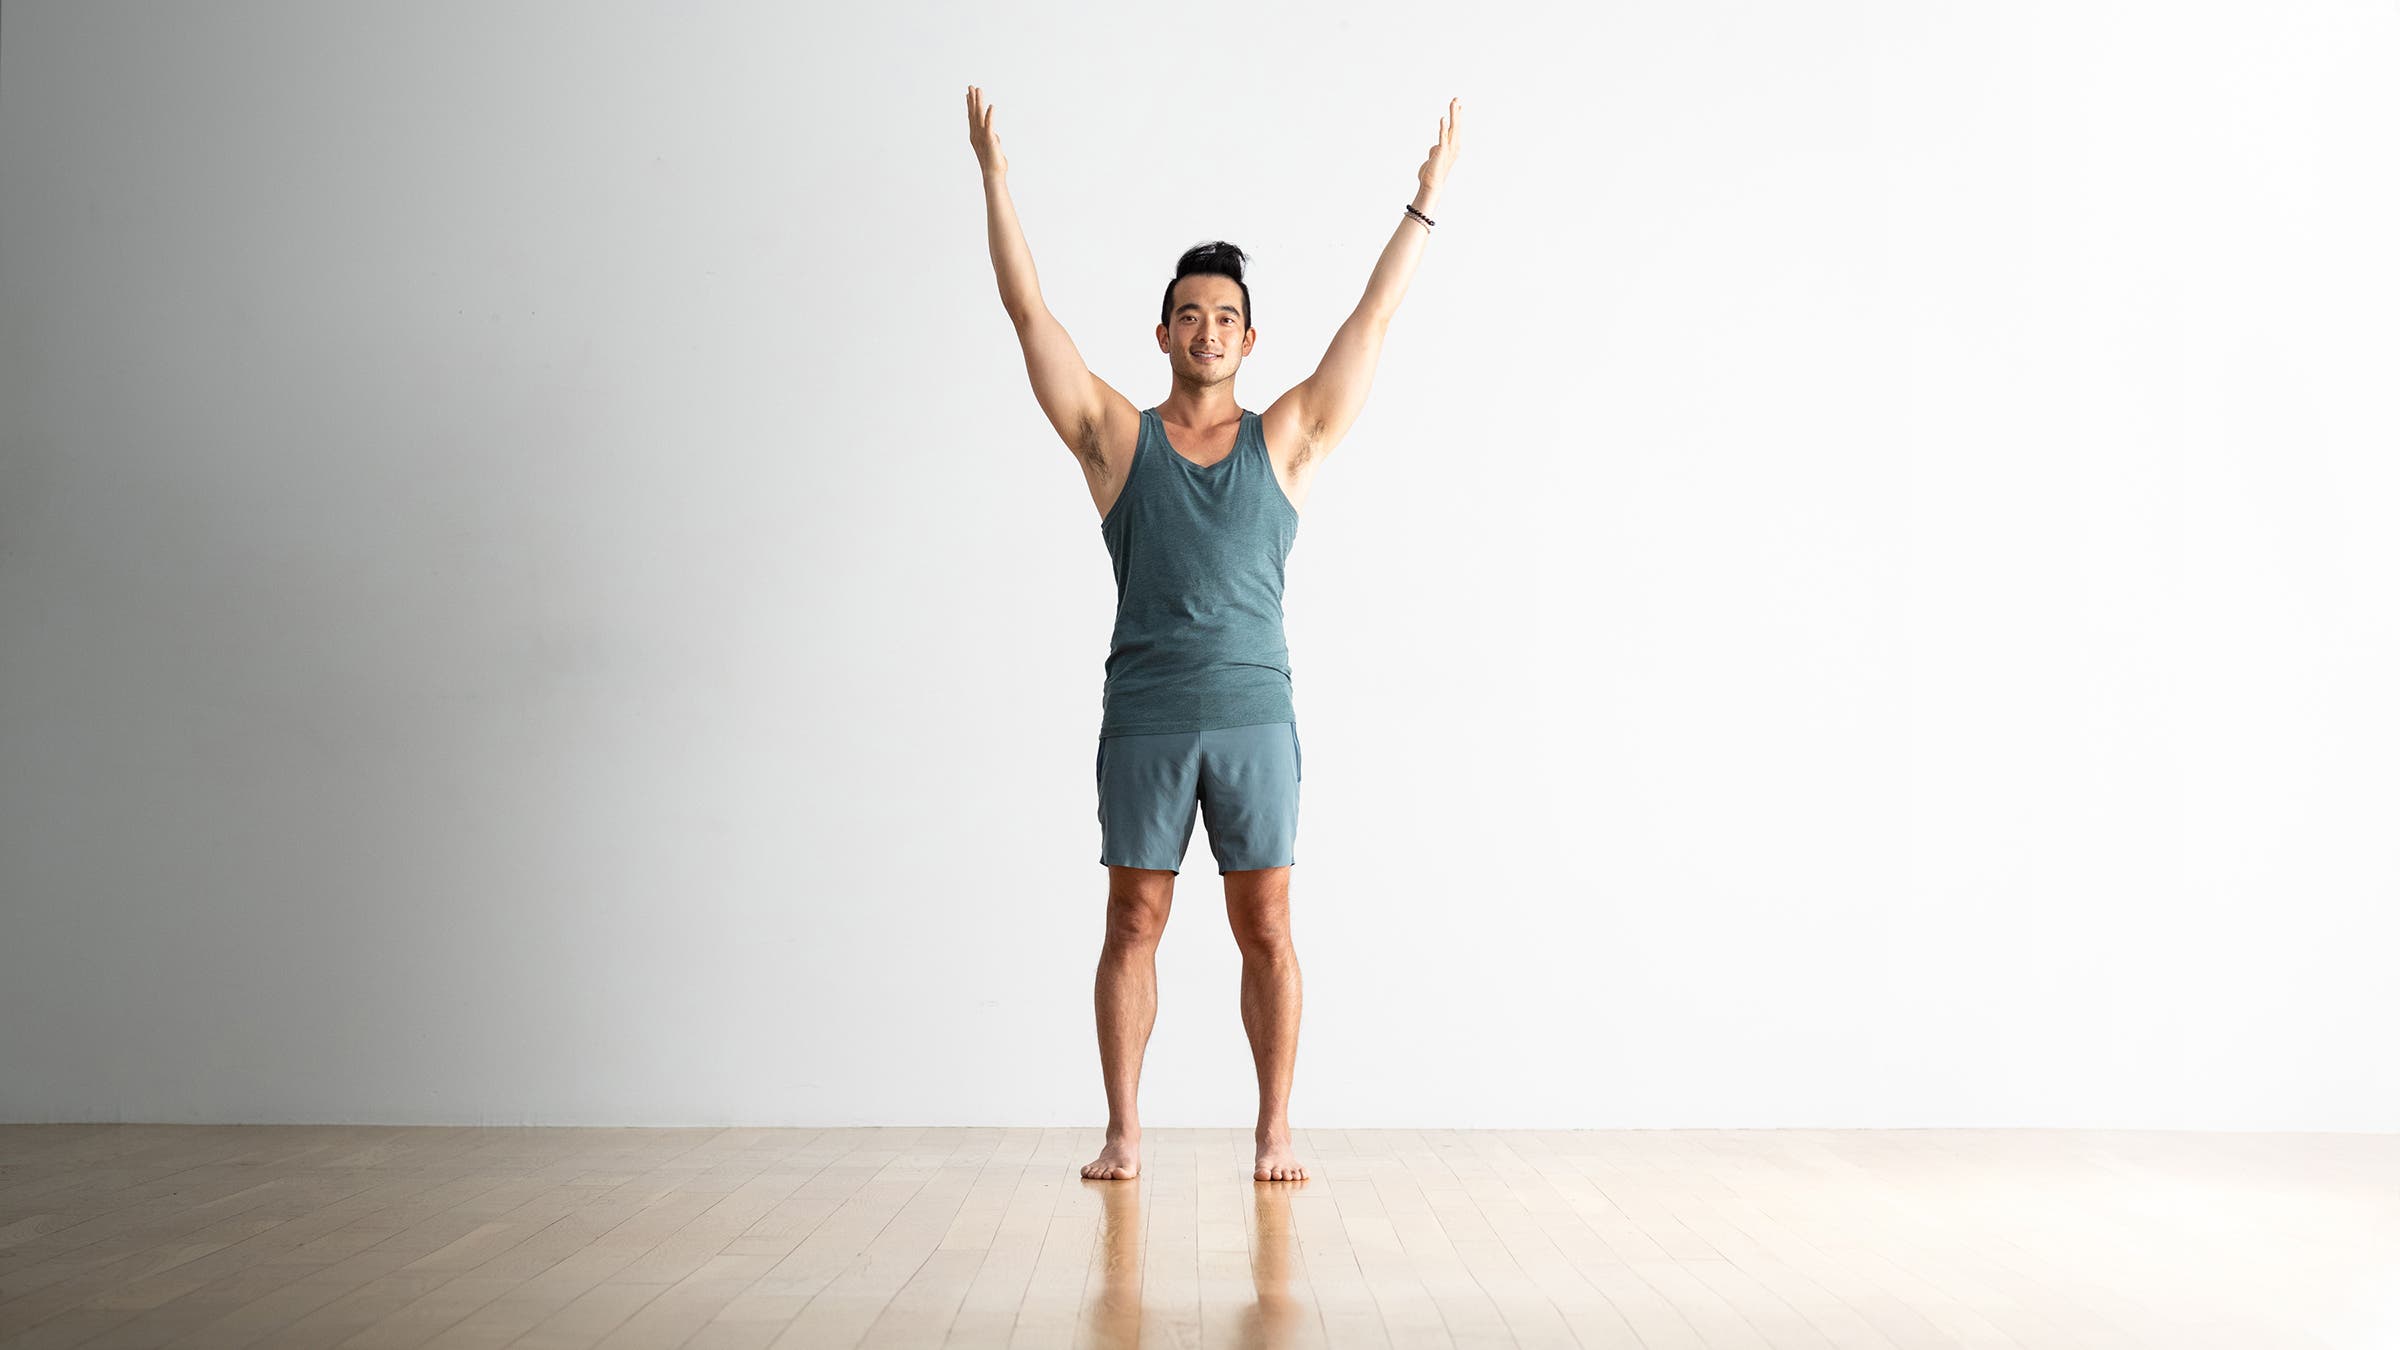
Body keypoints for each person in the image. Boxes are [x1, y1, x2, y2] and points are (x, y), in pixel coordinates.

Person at [966, 86, 1464, 1183]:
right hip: (1145, 714)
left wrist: (1422, 207)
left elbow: (1369, 327)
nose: (1206, 330)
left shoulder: (1284, 440)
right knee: (1133, 917)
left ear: (1247, 336)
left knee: (1268, 926)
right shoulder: (1113, 440)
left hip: (1253, 713)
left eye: (1225, 316)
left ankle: (1275, 1128)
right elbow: (1031, 318)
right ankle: (1124, 1132)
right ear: (1164, 331)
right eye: (1188, 314)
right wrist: (996, 181)